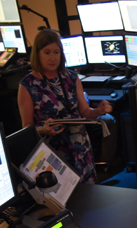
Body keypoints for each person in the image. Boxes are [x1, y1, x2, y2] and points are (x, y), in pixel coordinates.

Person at [18, 29, 113, 184]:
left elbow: (84, 112)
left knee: (88, 195)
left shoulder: (71, 77)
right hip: (53, 151)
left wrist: (98, 111)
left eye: (56, 52)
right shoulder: (27, 85)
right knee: (63, 195)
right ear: (38, 54)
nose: (52, 58)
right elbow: (26, 127)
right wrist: (42, 129)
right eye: (47, 52)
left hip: (80, 146)